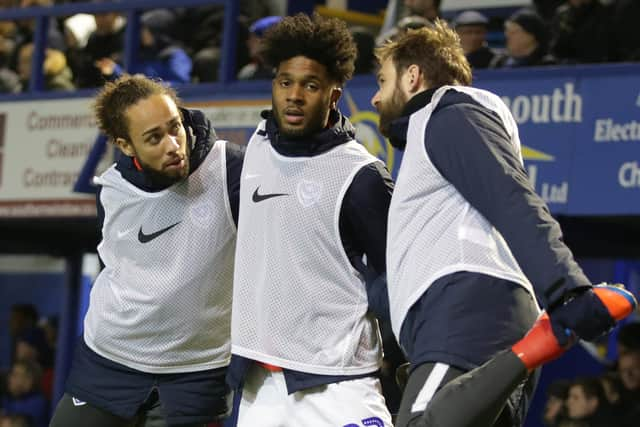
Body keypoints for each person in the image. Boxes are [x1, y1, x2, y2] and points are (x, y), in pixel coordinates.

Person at [370, 20, 636, 427]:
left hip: (468, 314)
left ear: (412, 76)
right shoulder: (432, 141)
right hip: (466, 321)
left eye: (382, 80)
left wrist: (567, 289)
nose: (373, 97)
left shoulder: (448, 111)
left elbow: (510, 195)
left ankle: (538, 344)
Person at [228, 13, 394, 427]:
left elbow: (399, 277)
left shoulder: (361, 175)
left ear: (334, 95)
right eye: (285, 82)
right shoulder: (254, 153)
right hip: (259, 387)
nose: (295, 96)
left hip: (339, 384)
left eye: (310, 85)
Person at [49, 75, 244, 427]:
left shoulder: (231, 170)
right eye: (154, 138)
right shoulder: (111, 189)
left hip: (194, 373)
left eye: (175, 128)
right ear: (125, 145)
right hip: (107, 361)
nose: (173, 145)